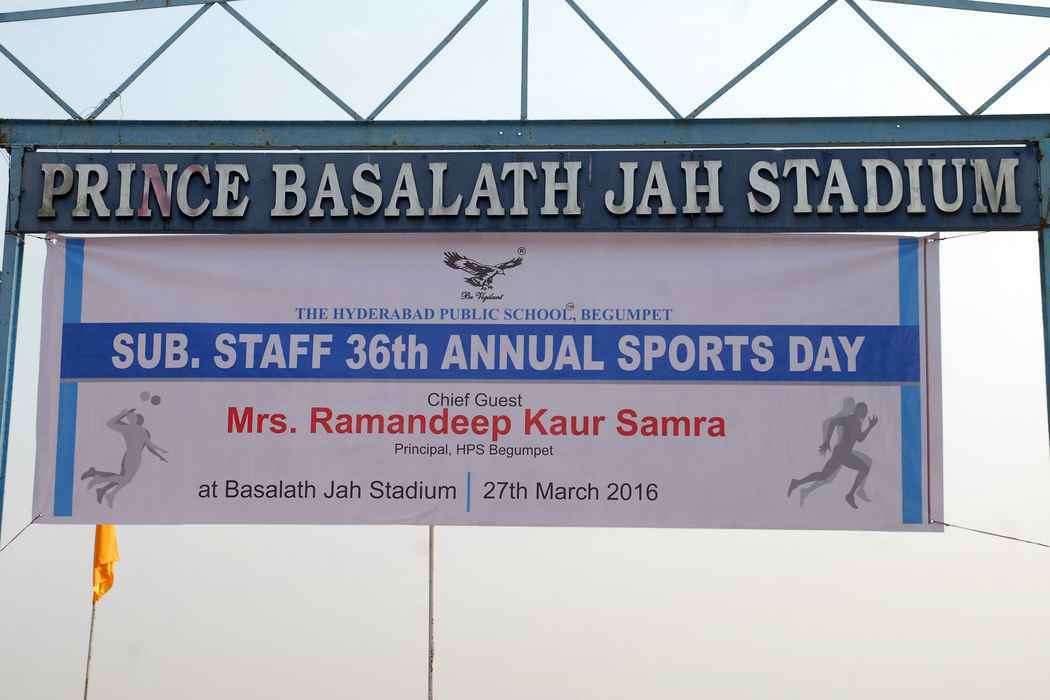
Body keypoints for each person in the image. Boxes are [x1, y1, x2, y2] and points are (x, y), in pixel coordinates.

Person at [788, 402, 878, 509]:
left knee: (823, 475)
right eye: (863, 410)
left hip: (839, 452)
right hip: (843, 453)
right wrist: (870, 427)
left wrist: (827, 441)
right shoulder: (853, 420)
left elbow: (836, 424)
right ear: (857, 410)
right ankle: (850, 495)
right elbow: (859, 437)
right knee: (864, 468)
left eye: (865, 410)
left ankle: (797, 482)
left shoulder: (852, 420)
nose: (865, 412)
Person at [80, 408, 167, 507]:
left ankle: (108, 492)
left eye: (133, 416)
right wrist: (121, 414)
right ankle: (99, 480)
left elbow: (149, 444)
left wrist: (160, 452)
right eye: (130, 417)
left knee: (125, 479)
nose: (131, 418)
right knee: (124, 479)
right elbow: (109, 424)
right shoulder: (127, 428)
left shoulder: (141, 431)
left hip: (137, 459)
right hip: (130, 457)